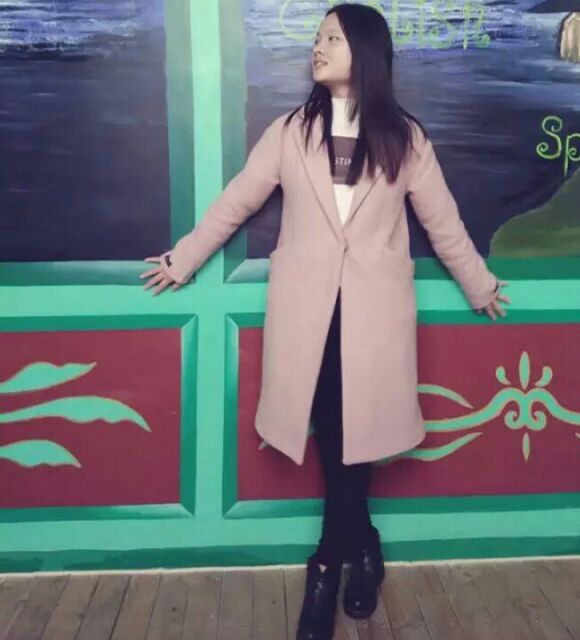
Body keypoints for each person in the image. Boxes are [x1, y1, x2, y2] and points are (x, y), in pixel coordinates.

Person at [141, 3, 510, 639]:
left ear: (364, 50)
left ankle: (324, 569)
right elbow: (237, 201)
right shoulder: (290, 131)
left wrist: (479, 285)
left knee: (351, 436)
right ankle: (363, 547)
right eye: (317, 38)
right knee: (336, 433)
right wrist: (183, 259)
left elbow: (443, 223)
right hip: (307, 315)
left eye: (331, 38)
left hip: (375, 317)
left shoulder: (406, 138)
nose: (317, 47)